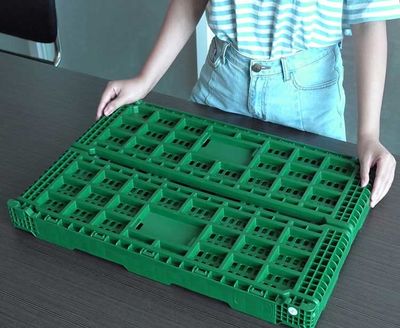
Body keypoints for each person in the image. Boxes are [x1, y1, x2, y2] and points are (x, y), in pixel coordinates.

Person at [96, 0, 399, 208]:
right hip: (223, 81)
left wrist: (368, 134)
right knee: (192, 204)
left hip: (307, 97)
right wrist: (145, 80)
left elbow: (369, 20)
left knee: (306, 219)